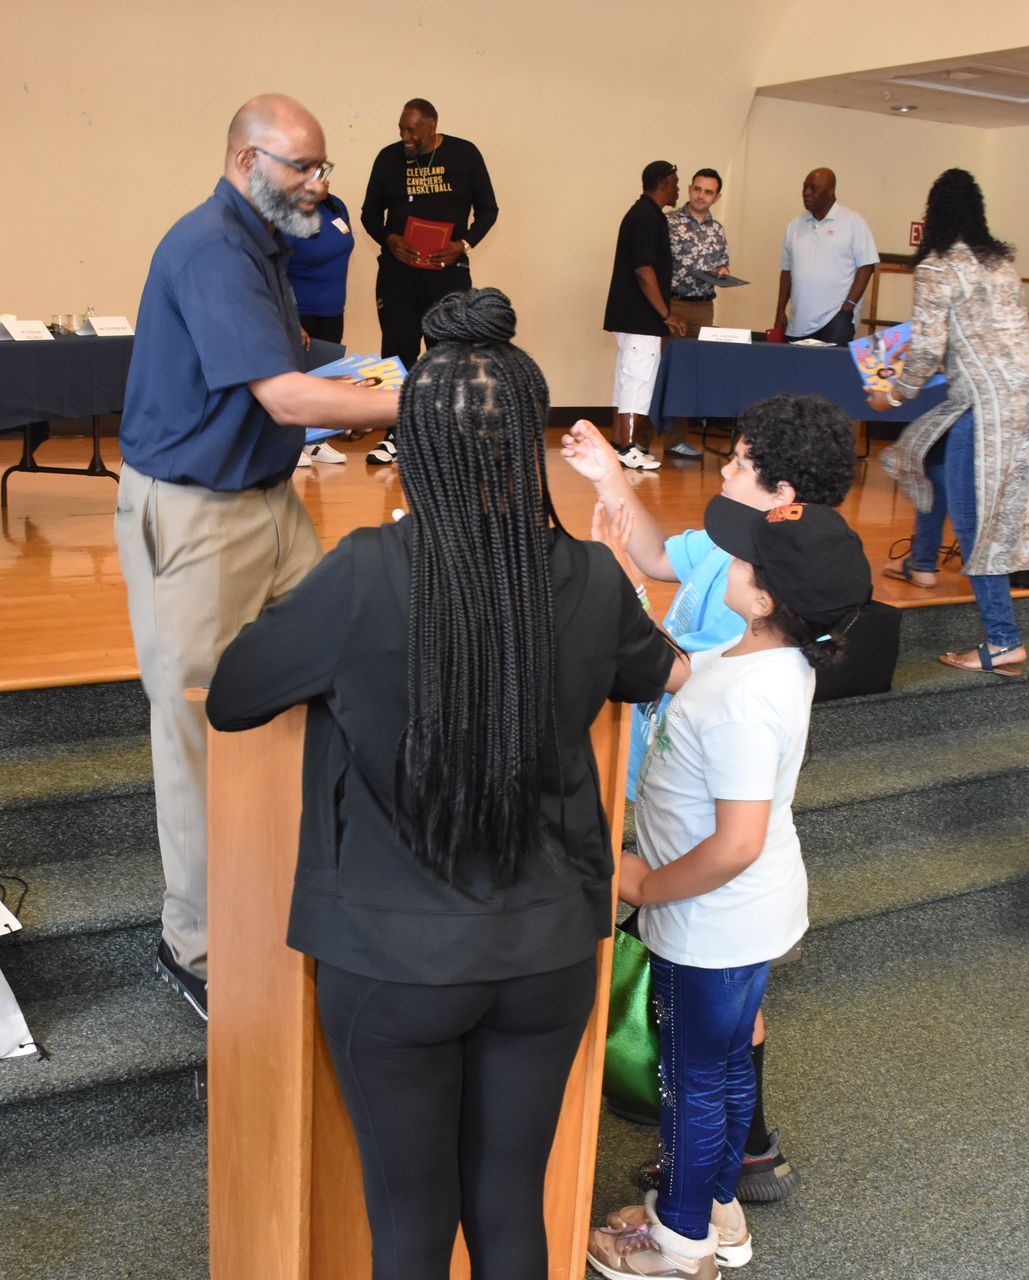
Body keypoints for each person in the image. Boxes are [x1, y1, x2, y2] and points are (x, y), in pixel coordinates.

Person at [207, 288, 684, 1279]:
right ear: (526, 446)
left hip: (393, 956)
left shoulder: (365, 571)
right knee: (509, 1204)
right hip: (548, 948)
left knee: (411, 1222)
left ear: (411, 448)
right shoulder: (590, 579)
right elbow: (658, 670)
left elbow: (236, 693)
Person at [116, 94, 399, 1019]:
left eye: (323, 168)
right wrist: (419, 403)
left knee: (325, 679)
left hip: (270, 503)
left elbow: (291, 355)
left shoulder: (261, 242)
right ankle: (193, 946)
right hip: (197, 516)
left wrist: (373, 366)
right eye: (304, 169)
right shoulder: (207, 246)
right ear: (247, 162)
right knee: (196, 729)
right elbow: (282, 396)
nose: (321, 186)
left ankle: (288, 879)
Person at [562, 391, 859, 1203]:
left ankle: (699, 1207)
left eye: (738, 464)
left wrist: (613, 589)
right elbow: (661, 559)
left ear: (783, 504)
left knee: (705, 1043)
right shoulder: (765, 601)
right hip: (690, 818)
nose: (722, 470)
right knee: (714, 1038)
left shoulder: (746, 668)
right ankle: (727, 1176)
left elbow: (686, 680)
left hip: (705, 852)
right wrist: (610, 488)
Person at [589, 497, 872, 1280]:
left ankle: (678, 1244)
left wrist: (645, 883)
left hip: (711, 922)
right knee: (724, 1067)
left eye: (741, 559)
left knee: (691, 1083)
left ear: (762, 597)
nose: (727, 563)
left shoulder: (753, 700)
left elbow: (738, 841)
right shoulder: (760, 653)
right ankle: (717, 1208)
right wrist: (625, 589)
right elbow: (680, 668)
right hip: (744, 917)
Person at [871, 169, 1029, 677]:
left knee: (977, 524)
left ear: (934, 215)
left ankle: (1002, 639)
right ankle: (923, 560)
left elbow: (928, 348)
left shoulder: (937, 267)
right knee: (934, 469)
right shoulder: (1000, 264)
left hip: (989, 407)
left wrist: (892, 394)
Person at [359, 97, 498, 466]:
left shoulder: (465, 155)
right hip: (397, 274)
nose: (405, 136)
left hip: (447, 275)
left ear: (432, 126)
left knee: (448, 354)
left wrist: (462, 244)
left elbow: (488, 209)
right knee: (397, 352)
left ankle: (447, 438)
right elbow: (370, 212)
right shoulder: (388, 158)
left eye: (412, 130)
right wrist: (389, 240)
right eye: (401, 129)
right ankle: (395, 435)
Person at [604, 161, 686, 472]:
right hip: (640, 316)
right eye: (676, 182)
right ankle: (625, 446)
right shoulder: (646, 218)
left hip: (633, 316)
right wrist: (666, 313)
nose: (678, 188)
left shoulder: (644, 214)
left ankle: (619, 444)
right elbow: (643, 270)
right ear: (664, 183)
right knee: (637, 380)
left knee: (628, 378)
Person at [285, 181, 358, 466]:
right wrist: (290, 318)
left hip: (332, 308)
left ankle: (316, 441)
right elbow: (278, 270)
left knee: (325, 375)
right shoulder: (289, 215)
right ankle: (291, 445)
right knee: (297, 378)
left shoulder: (335, 206)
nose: (323, 180)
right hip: (300, 310)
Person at [664, 169, 732, 462]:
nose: (701, 196)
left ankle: (677, 439)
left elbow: (723, 263)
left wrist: (722, 273)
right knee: (662, 370)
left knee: (689, 375)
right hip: (674, 305)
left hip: (704, 306)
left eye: (708, 192)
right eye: (697, 189)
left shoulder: (718, 230)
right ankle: (638, 440)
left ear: (717, 197)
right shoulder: (669, 222)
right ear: (690, 189)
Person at [771, 168, 877, 344]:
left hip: (835, 321)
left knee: (830, 371)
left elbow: (866, 266)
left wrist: (847, 307)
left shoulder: (852, 221)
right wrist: (780, 311)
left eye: (814, 188)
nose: (806, 193)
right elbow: (787, 271)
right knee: (796, 371)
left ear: (831, 191)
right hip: (798, 323)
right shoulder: (794, 226)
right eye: (804, 187)